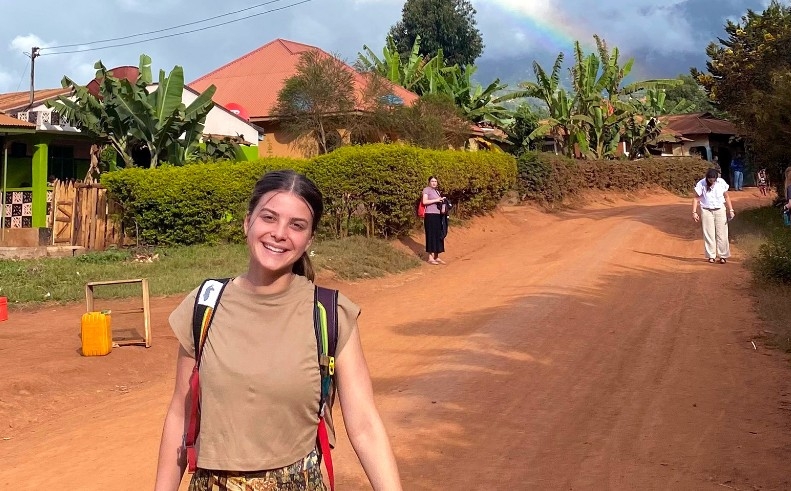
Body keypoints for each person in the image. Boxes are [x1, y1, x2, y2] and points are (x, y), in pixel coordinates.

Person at [154, 170, 402, 491]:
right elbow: (180, 413)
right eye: (269, 218)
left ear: (309, 239)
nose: (279, 233)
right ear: (248, 222)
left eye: (296, 225)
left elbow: (365, 425)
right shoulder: (205, 306)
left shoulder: (329, 313)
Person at [693, 168, 735, 263]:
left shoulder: (721, 183)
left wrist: (731, 210)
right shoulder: (702, 183)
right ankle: (711, 256)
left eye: (713, 180)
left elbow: (726, 196)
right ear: (707, 178)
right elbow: (696, 198)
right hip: (706, 210)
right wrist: (694, 212)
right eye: (710, 179)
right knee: (708, 233)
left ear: (716, 178)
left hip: (720, 209)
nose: (712, 181)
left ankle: (723, 256)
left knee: (722, 233)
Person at [422, 176, 447, 265]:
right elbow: (424, 202)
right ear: (429, 182)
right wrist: (436, 200)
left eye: (435, 181)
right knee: (431, 235)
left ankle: (436, 256)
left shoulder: (437, 191)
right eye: (432, 181)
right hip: (430, 215)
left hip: (438, 215)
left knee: (438, 235)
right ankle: (430, 257)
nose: (434, 183)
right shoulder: (426, 190)